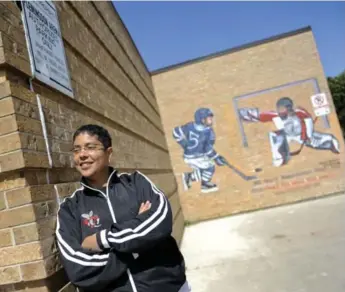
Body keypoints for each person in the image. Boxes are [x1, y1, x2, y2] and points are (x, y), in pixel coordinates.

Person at [56, 124, 190, 292]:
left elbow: (159, 222)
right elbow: (79, 268)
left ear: (108, 153)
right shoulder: (70, 209)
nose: (82, 155)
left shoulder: (136, 183)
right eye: (76, 150)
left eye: (90, 147)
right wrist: (136, 243)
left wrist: (101, 239)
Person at [238, 97, 340, 167]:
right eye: (279, 108)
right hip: (287, 135)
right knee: (275, 136)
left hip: (300, 134)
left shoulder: (299, 112)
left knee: (313, 143)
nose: (280, 111)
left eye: (282, 108)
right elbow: (259, 116)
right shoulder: (275, 115)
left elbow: (308, 120)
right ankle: (280, 158)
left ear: (289, 108)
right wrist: (241, 113)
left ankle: (330, 140)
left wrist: (306, 135)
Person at [173, 108, 228, 193]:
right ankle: (203, 184)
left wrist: (183, 144)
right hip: (196, 157)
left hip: (188, 156)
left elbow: (176, 132)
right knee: (210, 167)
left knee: (204, 168)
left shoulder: (189, 126)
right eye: (209, 118)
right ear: (202, 120)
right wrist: (216, 158)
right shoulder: (209, 132)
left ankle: (190, 177)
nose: (211, 120)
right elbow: (207, 149)